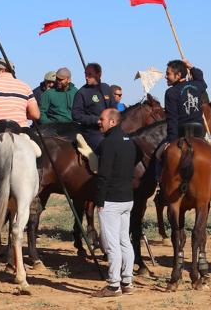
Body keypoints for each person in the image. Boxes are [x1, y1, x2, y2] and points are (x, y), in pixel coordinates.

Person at [162, 59, 211, 197]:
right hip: (200, 133)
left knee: (158, 156)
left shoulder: (171, 93)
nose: (165, 76)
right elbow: (201, 78)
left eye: (168, 74)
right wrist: (191, 67)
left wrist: (171, 140)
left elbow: (172, 120)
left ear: (178, 75)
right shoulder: (197, 86)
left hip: (180, 133)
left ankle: (159, 184)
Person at [91, 108, 137, 298]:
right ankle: (127, 281)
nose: (98, 122)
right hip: (128, 199)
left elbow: (103, 174)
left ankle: (113, 286)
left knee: (112, 245)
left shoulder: (109, 143)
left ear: (112, 122)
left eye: (101, 119)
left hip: (111, 200)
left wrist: (99, 199)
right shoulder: (129, 141)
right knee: (124, 240)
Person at [72, 63, 116, 150]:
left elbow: (114, 108)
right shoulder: (82, 93)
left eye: (89, 74)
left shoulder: (106, 88)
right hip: (92, 132)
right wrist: (96, 120)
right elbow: (76, 115)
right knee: (105, 148)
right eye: (85, 74)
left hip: (110, 130)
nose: (86, 77)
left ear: (99, 74)